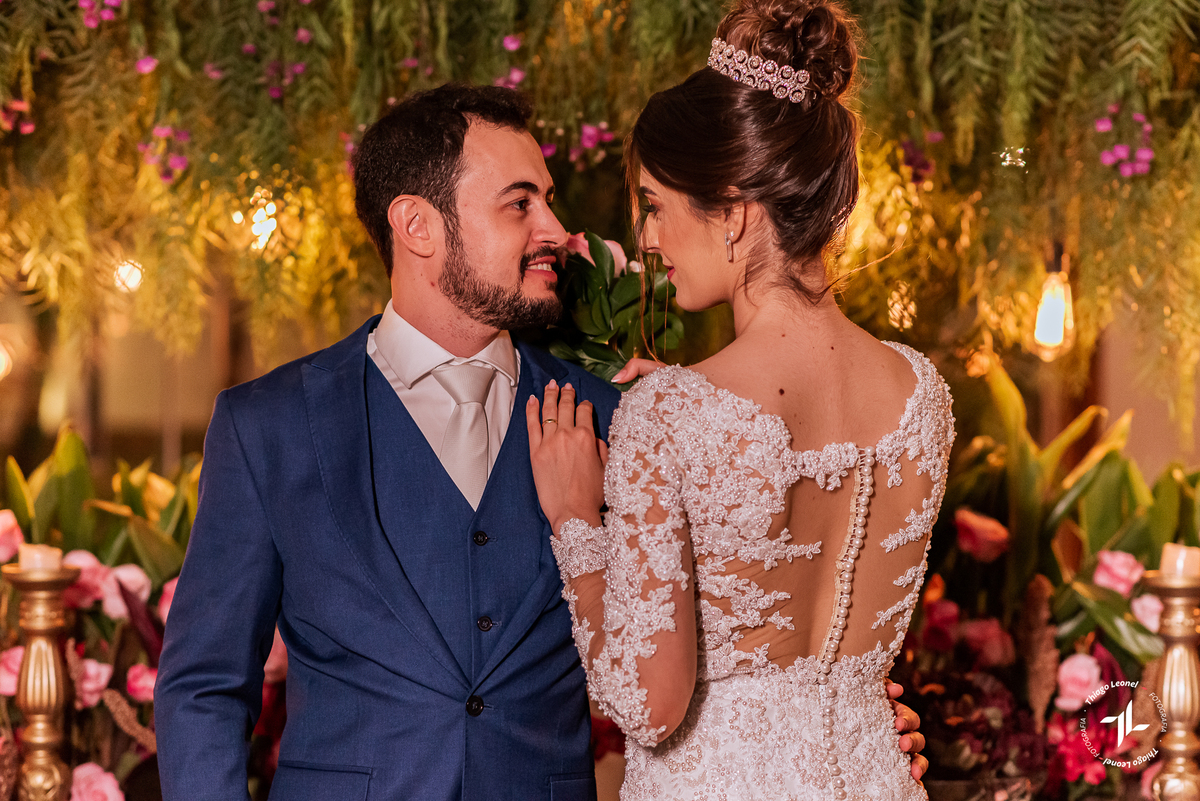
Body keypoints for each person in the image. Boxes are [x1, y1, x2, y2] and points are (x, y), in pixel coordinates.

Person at [155, 83, 926, 800]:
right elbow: (203, 686)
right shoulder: (268, 426)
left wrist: (845, 715)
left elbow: (726, 636)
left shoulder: (627, 417)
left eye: (549, 201)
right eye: (520, 204)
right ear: (416, 225)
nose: (557, 231)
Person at [527, 1, 955, 799]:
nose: (646, 239)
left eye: (655, 204)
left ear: (731, 210)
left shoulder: (671, 416)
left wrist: (577, 522)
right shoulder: (920, 393)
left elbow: (648, 707)